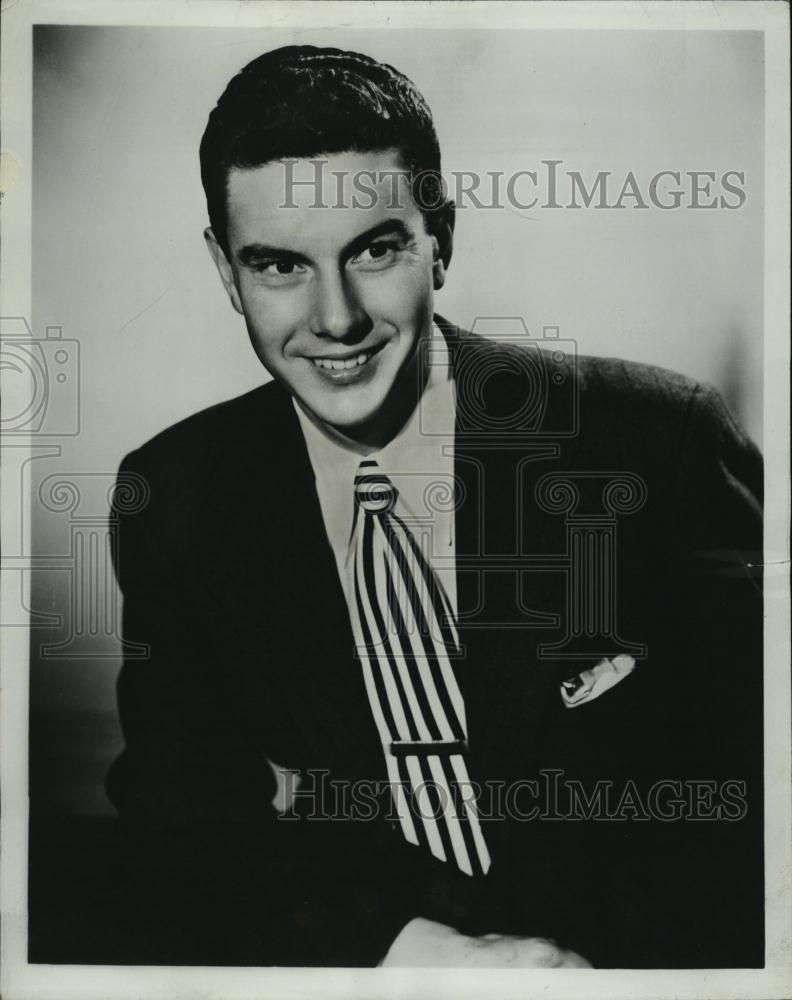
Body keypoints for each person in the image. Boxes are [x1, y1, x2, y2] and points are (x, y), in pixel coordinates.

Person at [106, 45, 763, 969]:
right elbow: (180, 817)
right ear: (225, 272)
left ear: (440, 238)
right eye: (278, 266)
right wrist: (420, 957)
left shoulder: (659, 442)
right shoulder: (175, 496)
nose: (334, 318)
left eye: (375, 250)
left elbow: (760, 794)